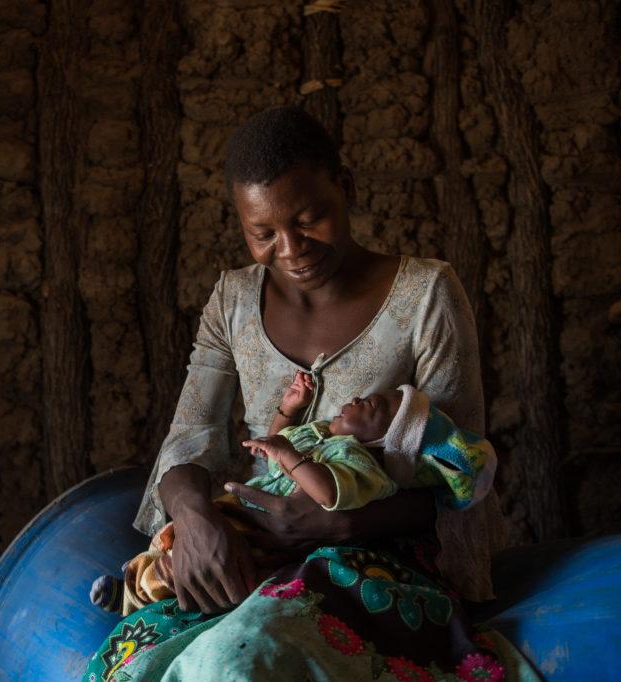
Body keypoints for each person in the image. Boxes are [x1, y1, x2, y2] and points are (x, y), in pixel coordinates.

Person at [83, 107, 529, 682]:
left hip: (378, 561)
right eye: (263, 233)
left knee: (238, 659)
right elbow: (187, 440)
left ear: (346, 189)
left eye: (310, 219)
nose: (291, 249)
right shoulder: (233, 301)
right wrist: (195, 521)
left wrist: (338, 525)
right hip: (252, 553)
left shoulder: (426, 295)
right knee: (125, 667)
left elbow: (458, 473)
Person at [90, 375, 498, 616]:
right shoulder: (322, 438)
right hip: (244, 508)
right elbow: (278, 444)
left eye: (370, 406)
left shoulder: (364, 466)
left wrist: (291, 458)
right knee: (183, 538)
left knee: (185, 568)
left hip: (268, 535)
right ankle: (142, 568)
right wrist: (289, 412)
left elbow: (329, 495)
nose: (355, 399)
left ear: (383, 441)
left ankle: (132, 592)